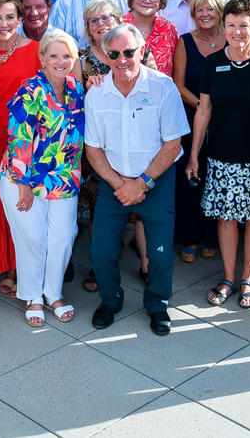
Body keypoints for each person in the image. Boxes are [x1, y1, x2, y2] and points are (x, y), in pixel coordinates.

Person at [86, 24, 189, 337]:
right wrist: (121, 185)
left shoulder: (163, 87)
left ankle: (157, 303)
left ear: (141, 51)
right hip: (113, 183)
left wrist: (141, 183)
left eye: (129, 52)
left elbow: (173, 144)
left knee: (158, 253)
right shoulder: (97, 93)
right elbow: (92, 149)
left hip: (156, 182)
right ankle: (111, 298)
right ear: (105, 55)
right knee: (101, 251)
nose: (122, 59)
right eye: (114, 53)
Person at [188, 0, 250, 309]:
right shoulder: (213, 63)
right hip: (221, 156)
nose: (237, 31)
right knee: (225, 218)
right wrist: (194, 154)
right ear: (224, 26)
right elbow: (204, 110)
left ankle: (247, 277)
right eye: (231, 25)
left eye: (243, 25)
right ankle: (228, 277)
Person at [1, 29, 84, 326]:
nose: (61, 61)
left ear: (73, 60)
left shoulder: (76, 89)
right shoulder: (31, 89)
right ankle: (34, 295)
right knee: (34, 238)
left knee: (63, 236)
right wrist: (22, 184)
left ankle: (53, 292)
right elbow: (19, 136)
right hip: (25, 176)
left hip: (64, 177)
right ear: (43, 58)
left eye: (66, 56)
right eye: (54, 55)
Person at [72, 0, 157, 289]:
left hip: (138, 140)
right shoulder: (79, 58)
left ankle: (148, 265)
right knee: (101, 205)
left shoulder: (135, 49)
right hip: (98, 143)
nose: (100, 24)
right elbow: (69, 99)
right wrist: (85, 88)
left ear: (118, 20)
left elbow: (156, 86)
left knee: (143, 202)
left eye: (106, 18)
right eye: (93, 20)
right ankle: (100, 264)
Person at [0, 0, 42, 294]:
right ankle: (5, 263)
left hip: (28, 137)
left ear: (20, 20)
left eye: (10, 17)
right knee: (0, 202)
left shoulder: (36, 50)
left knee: (23, 202)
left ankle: (23, 268)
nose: (4, 24)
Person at [171, 0, 226, 263]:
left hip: (224, 122)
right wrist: (203, 108)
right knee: (190, 178)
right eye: (199, 10)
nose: (204, 14)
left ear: (220, 12)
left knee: (216, 177)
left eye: (210, 8)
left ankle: (211, 237)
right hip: (190, 118)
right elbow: (178, 85)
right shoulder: (185, 42)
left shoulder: (233, 41)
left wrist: (219, 113)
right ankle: (188, 237)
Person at [123, 0, 179, 76]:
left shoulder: (169, 29)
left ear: (161, 1)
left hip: (161, 91)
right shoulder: (119, 27)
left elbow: (176, 70)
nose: (147, 0)